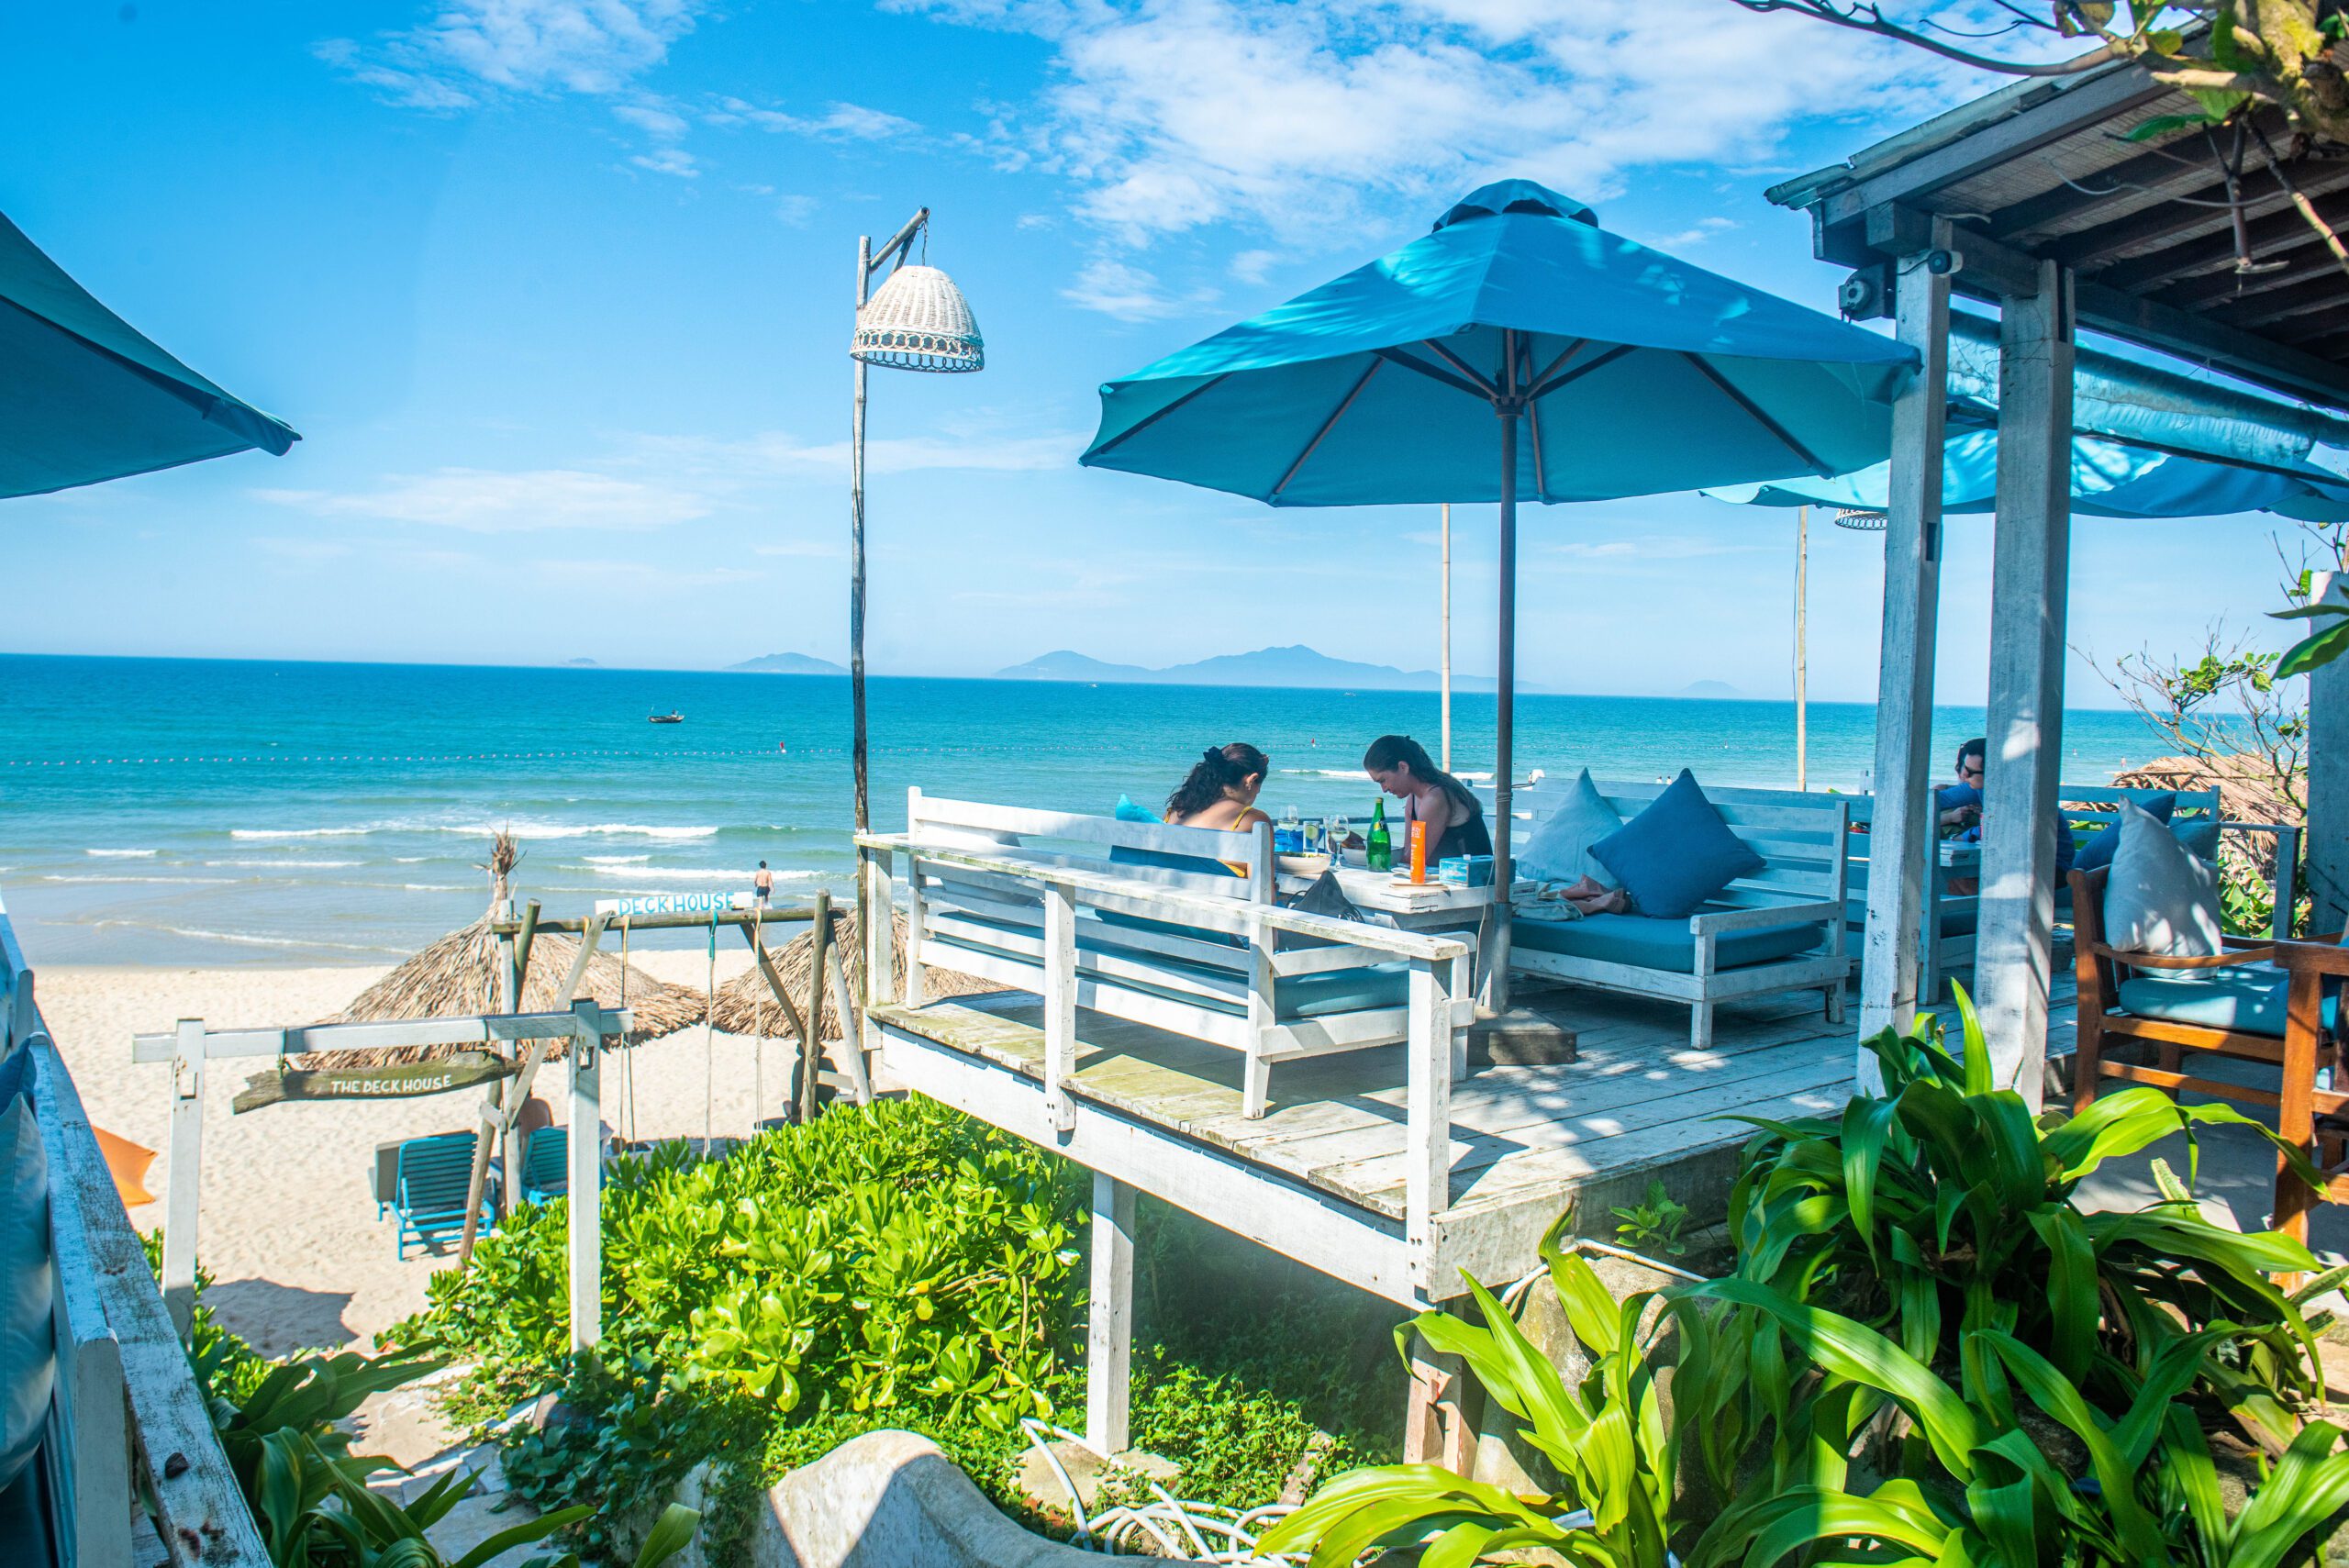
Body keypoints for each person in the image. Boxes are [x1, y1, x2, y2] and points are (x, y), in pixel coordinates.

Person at [1364, 734, 1492, 862]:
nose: (1384, 789)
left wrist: (1369, 853)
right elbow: (1408, 852)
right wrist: (1362, 844)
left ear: (1403, 767)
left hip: (1475, 879)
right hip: (1446, 877)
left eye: (1383, 780)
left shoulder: (1436, 797)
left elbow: (1415, 859)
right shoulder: (1414, 798)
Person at [1163, 743, 1272, 832]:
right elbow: (1265, 859)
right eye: (1259, 786)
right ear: (1251, 780)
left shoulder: (1173, 813)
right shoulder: (1254, 820)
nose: (1258, 792)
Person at [1938, 739, 1986, 831]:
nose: (1964, 774)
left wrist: (1969, 835)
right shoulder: (1976, 788)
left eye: (1970, 771)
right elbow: (1936, 800)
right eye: (1965, 766)